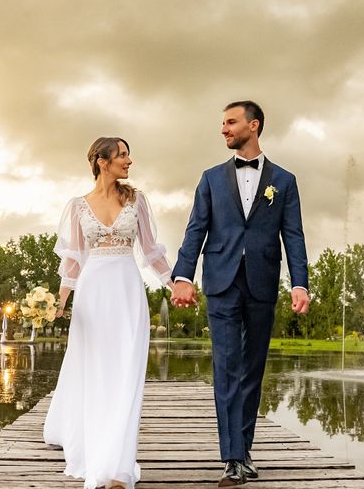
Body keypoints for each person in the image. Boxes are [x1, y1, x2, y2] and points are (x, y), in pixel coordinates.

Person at [171, 100, 310, 487]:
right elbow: (195, 230)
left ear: (254, 125)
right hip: (221, 281)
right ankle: (233, 458)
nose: (224, 129)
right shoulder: (211, 178)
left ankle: (243, 449)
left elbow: (294, 235)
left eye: (231, 122)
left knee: (252, 370)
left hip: (263, 283)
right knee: (228, 367)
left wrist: (300, 283)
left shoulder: (284, 181)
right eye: (223, 123)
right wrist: (183, 275)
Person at [43, 137, 174, 489]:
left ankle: (118, 468)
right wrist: (59, 302)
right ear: (102, 162)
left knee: (126, 373)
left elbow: (150, 251)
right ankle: (96, 453)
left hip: (128, 292)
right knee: (95, 373)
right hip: (93, 294)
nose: (129, 160)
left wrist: (174, 284)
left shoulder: (137, 200)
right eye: (122, 155)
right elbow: (72, 260)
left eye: (128, 154)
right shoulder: (77, 206)